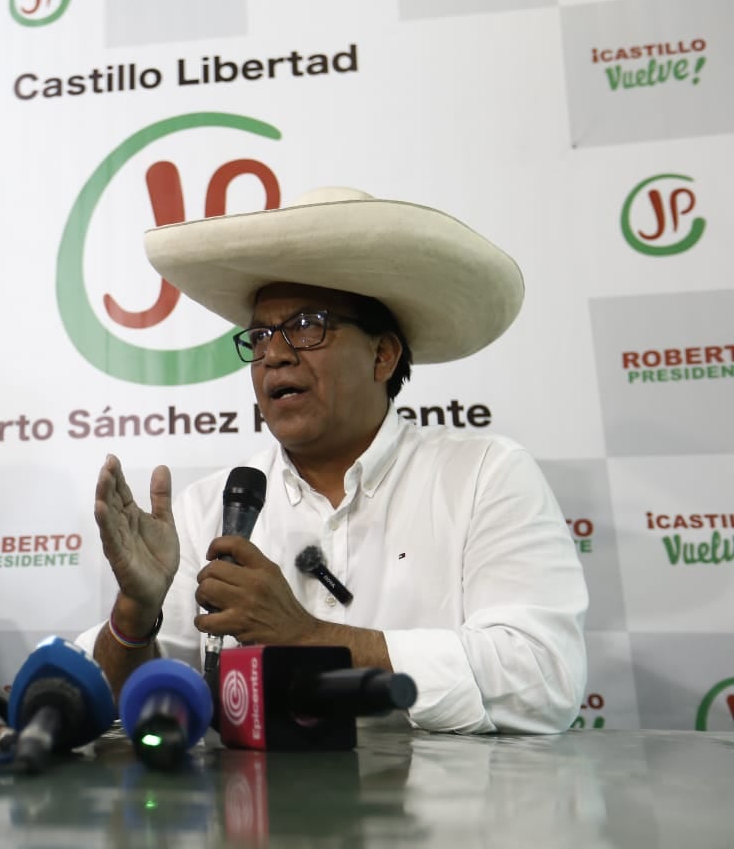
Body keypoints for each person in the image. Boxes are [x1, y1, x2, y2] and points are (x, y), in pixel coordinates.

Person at [77, 186, 588, 734]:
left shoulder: (486, 475)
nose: (275, 354)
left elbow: (542, 679)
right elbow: (108, 703)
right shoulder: (207, 509)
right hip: (252, 793)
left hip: (445, 793)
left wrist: (308, 637)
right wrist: (133, 614)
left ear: (382, 355)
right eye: (261, 335)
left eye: (307, 326)